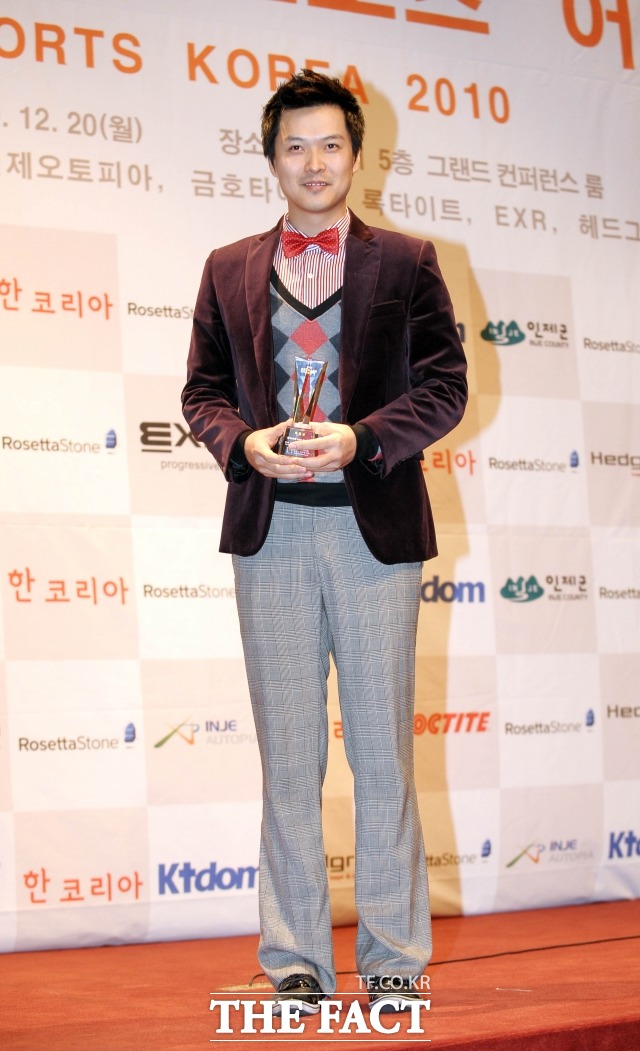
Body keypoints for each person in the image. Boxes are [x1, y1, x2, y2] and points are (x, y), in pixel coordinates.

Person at [182, 69, 467, 1016]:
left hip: (371, 529)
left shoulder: (409, 260)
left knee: (383, 752)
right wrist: (243, 443)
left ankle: (393, 956)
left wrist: (364, 438)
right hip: (270, 534)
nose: (314, 162)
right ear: (272, 159)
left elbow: (445, 387)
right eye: (295, 146)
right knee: (289, 756)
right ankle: (295, 956)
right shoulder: (227, 266)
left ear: (356, 156)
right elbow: (202, 393)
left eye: (330, 144)